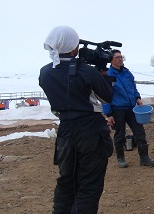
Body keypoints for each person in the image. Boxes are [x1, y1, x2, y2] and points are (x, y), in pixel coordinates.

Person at [39, 25, 114, 213]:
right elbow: (107, 97)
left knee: (66, 181)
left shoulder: (45, 73)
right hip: (90, 130)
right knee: (89, 184)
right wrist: (102, 73)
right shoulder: (87, 71)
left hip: (65, 131)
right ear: (74, 47)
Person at [102, 49, 154, 168]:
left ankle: (144, 158)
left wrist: (137, 97)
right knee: (120, 134)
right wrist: (108, 114)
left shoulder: (127, 72)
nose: (120, 59)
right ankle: (121, 159)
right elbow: (104, 96)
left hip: (132, 108)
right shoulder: (108, 75)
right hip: (117, 109)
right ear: (111, 60)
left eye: (121, 57)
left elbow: (133, 86)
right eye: (117, 57)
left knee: (139, 132)